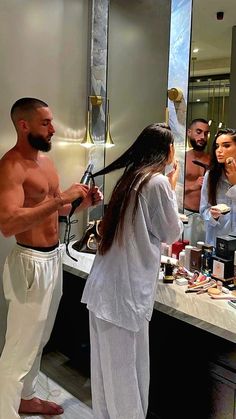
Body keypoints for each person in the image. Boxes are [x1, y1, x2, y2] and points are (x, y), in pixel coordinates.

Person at [0, 97, 103, 419]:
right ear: (24, 125)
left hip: (53, 257)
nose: (53, 129)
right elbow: (8, 224)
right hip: (29, 261)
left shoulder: (45, 163)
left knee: (40, 338)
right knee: (20, 347)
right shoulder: (11, 165)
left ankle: (26, 397)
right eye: (45, 123)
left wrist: (82, 204)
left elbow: (53, 210)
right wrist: (62, 197)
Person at [81, 123, 183, 419]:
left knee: (105, 378)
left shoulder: (130, 179)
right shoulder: (156, 183)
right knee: (126, 381)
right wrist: (171, 185)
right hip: (123, 296)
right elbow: (170, 232)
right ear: (166, 150)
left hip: (105, 290)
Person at [200, 128, 236, 246]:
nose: (219, 151)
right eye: (217, 146)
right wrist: (212, 216)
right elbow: (204, 210)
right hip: (216, 242)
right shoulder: (211, 176)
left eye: (226, 146)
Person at [184, 118, 210, 245]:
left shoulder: (213, 160)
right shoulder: (182, 159)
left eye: (206, 133)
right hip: (187, 215)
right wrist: (193, 186)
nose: (202, 137)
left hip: (207, 217)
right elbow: (172, 189)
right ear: (189, 132)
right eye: (198, 132)